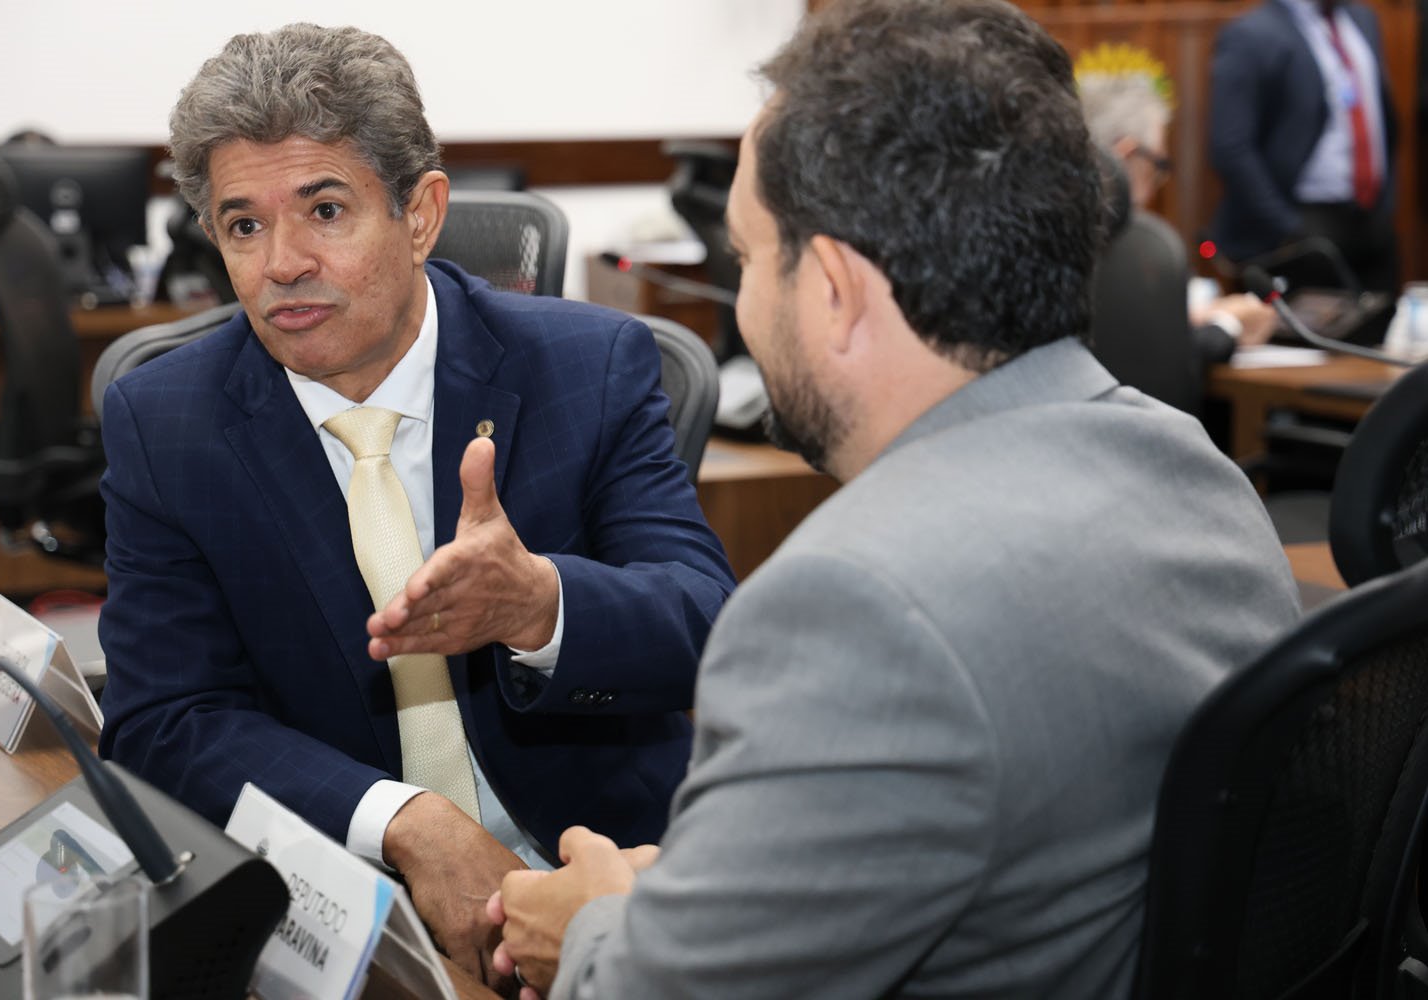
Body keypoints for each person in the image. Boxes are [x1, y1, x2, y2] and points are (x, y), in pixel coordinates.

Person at [489, 1, 1302, 996]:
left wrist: (588, 924)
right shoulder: (1197, 473)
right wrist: (715, 881)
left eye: (747, 258)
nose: (746, 302)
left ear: (833, 289)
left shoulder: (853, 605)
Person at [95, 22, 735, 989]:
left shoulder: (587, 366)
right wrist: (405, 822)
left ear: (422, 214)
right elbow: (164, 718)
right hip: (347, 903)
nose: (283, 263)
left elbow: (706, 622)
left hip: (603, 882)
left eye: (324, 210)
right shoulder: (165, 418)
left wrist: (541, 606)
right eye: (244, 226)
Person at [1076, 43, 1276, 364]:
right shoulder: (1125, 247)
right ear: (1127, 155)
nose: (1158, 185)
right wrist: (1226, 324)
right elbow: (1150, 353)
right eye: (1158, 166)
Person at [1209, 0, 1398, 292]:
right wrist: (1289, 229)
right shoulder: (1250, 33)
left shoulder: (1363, 19)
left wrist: (1385, 204)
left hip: (1372, 221)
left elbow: (1384, 119)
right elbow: (1230, 146)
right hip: (1301, 227)